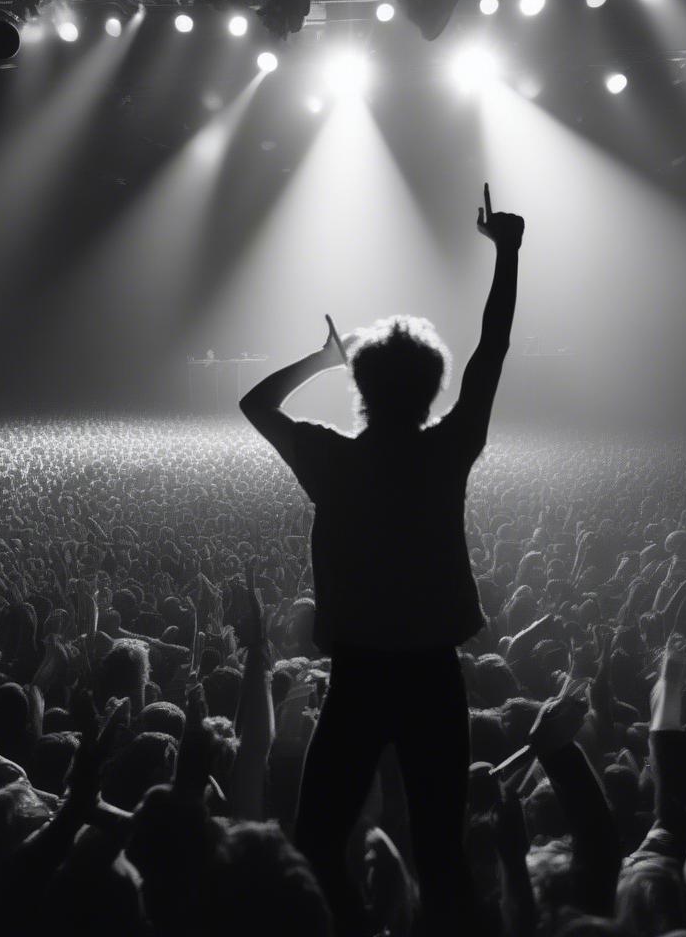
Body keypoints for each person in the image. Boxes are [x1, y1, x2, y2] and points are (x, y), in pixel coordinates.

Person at [238, 183, 524, 935]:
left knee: (319, 844)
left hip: (360, 675)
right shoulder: (448, 450)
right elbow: (491, 352)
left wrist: (323, 359)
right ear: (432, 391)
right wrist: (510, 254)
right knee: (440, 852)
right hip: (432, 672)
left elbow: (254, 404)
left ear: (362, 390)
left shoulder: (329, 460)